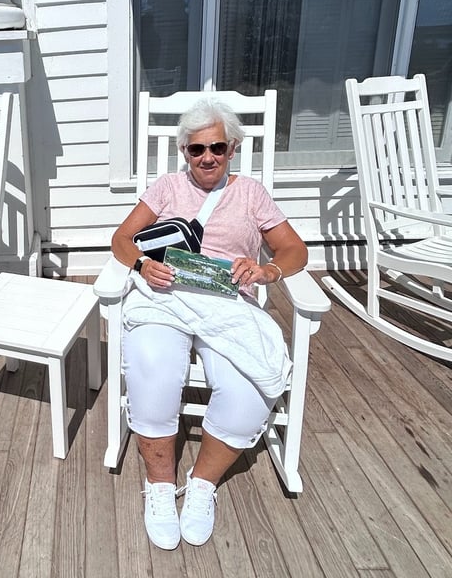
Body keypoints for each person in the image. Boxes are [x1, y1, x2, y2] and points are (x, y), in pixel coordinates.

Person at [110, 97, 308, 550]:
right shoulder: (165, 188)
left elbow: (294, 251)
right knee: (153, 366)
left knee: (248, 387)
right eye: (196, 150)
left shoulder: (251, 193)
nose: (207, 158)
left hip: (229, 303)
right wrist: (141, 264)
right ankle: (160, 486)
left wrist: (266, 271)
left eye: (217, 148)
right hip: (167, 297)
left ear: (232, 148)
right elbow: (121, 239)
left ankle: (202, 486)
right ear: (184, 152)